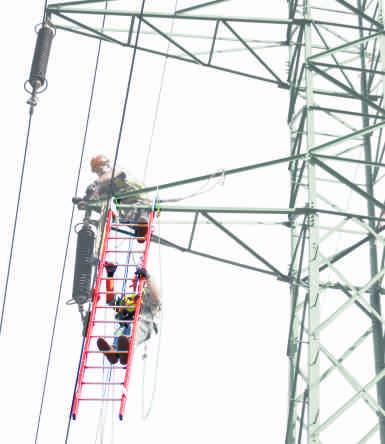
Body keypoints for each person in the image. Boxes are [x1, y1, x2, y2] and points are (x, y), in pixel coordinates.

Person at [97, 262, 161, 365]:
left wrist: (148, 277)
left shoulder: (148, 299)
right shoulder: (130, 299)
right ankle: (115, 352)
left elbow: (156, 297)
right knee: (122, 330)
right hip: (128, 324)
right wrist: (110, 275)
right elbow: (111, 301)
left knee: (135, 330)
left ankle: (127, 350)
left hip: (145, 324)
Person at [76, 154, 151, 242]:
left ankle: (142, 221)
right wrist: (86, 200)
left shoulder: (118, 171)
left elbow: (107, 178)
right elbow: (98, 196)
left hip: (139, 200)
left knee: (139, 211)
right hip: (128, 207)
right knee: (118, 213)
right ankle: (139, 228)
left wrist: (95, 184)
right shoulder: (105, 184)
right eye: (97, 172)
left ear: (107, 165)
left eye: (99, 170)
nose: (99, 174)